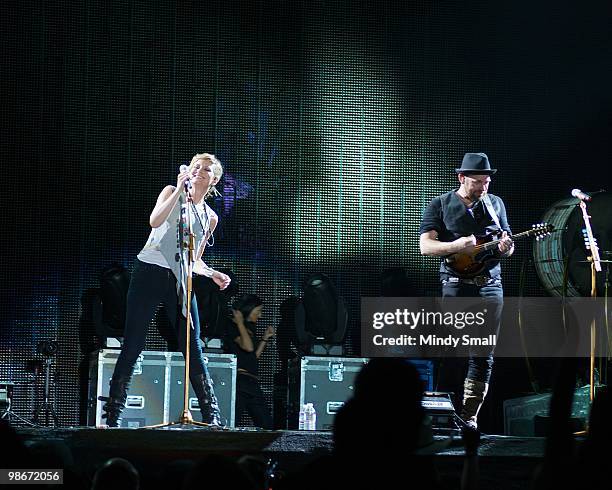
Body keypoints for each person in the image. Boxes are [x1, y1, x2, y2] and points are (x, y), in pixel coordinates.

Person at [101, 153, 231, 427]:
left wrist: (212, 273)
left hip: (179, 278)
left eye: (206, 169)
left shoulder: (209, 217)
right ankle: (113, 415)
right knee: (133, 342)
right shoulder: (172, 192)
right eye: (196, 167)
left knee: (192, 345)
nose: (199, 171)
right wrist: (179, 189)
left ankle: (212, 416)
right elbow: (155, 221)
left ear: (214, 179)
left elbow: (193, 258)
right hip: (149, 272)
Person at [419, 152, 513, 430]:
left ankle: (469, 416)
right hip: (456, 286)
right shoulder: (440, 204)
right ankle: (442, 414)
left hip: (490, 286)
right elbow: (426, 247)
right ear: (462, 178)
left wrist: (507, 249)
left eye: (487, 182)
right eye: (477, 182)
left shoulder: (495, 204)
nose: (483, 187)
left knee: (483, 353)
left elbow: (505, 241)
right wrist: (456, 245)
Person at [226, 294, 274, 429]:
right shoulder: (233, 326)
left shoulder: (249, 327)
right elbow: (247, 346)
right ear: (249, 309)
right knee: (231, 421)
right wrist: (240, 322)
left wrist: (265, 339)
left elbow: (252, 356)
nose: (260, 315)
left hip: (251, 381)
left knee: (266, 424)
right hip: (240, 382)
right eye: (258, 311)